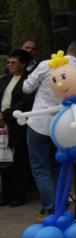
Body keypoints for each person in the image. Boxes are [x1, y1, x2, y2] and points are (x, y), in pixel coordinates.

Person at [22, 40, 76, 217]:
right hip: (63, 126)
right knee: (57, 167)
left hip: (39, 122)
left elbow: (26, 88)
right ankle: (61, 205)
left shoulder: (47, 64)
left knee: (40, 168)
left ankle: (52, 207)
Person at [1, 49, 34, 207]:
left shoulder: (28, 81)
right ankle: (6, 194)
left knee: (19, 160)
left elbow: (26, 103)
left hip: (18, 124)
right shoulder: (5, 79)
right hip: (2, 124)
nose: (10, 65)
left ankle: (19, 195)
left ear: (23, 64)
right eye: (8, 62)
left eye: (13, 62)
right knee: (4, 158)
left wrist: (5, 114)